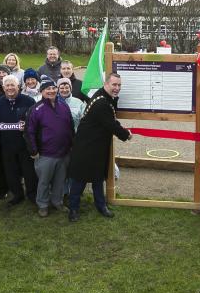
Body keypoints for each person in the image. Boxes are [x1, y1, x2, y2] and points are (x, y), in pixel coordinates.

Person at [67, 73, 132, 221]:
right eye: (114, 85)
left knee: (98, 178)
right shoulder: (101, 103)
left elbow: (111, 114)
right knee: (79, 179)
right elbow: (110, 123)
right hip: (85, 147)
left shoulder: (104, 96)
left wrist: (115, 99)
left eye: (119, 85)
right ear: (106, 83)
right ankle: (73, 209)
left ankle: (101, 206)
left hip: (97, 146)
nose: (117, 88)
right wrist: (126, 134)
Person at [26, 78, 74, 218]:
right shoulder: (36, 109)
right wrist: (33, 150)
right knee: (44, 182)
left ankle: (57, 202)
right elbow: (29, 132)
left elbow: (70, 127)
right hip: (45, 154)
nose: (51, 91)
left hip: (63, 152)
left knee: (60, 180)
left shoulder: (63, 106)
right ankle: (42, 205)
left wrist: (72, 145)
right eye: (48, 89)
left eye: (53, 88)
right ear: (42, 91)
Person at [0, 75, 37, 206]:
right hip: (6, 144)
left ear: (19, 87)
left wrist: (27, 126)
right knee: (11, 172)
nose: (10, 88)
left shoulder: (29, 101)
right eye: (7, 85)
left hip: (25, 144)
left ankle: (32, 194)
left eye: (13, 85)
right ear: (3, 87)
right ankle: (17, 195)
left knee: (29, 172)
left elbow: (35, 121)